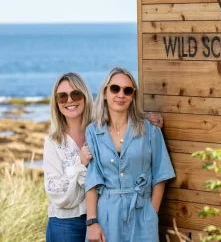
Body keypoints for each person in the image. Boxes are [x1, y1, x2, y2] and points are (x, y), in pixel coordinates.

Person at [43, 72, 164, 242]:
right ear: (56, 103)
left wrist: (145, 117)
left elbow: (120, 115)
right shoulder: (53, 142)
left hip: (102, 217)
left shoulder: (97, 128)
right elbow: (55, 192)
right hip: (67, 222)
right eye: (62, 96)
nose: (70, 100)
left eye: (76, 94)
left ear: (85, 97)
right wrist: (79, 164)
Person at [85, 67, 175, 242]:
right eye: (115, 89)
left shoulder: (150, 129)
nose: (121, 95)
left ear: (133, 96)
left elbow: (160, 175)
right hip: (106, 214)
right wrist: (92, 222)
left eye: (127, 90)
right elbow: (92, 181)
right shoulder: (93, 132)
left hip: (142, 213)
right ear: (104, 93)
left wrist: (152, 212)